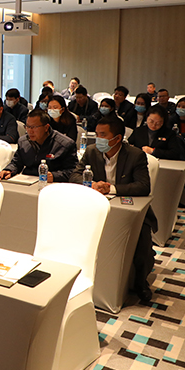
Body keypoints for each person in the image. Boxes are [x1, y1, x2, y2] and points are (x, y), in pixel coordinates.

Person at [69, 116, 155, 302]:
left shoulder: (135, 155)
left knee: (141, 243)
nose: (98, 139)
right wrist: (91, 184)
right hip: (96, 208)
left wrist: (111, 189)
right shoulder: (92, 151)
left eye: (103, 135)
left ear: (117, 138)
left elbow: (143, 186)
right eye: (97, 134)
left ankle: (140, 283)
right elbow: (74, 175)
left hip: (128, 209)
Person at [0, 110, 77, 183]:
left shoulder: (65, 144)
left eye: (34, 127)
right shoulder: (23, 141)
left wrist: (54, 176)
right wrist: (9, 170)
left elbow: (73, 172)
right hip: (28, 181)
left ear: (46, 127)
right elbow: (16, 162)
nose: (30, 131)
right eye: (27, 127)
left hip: (51, 184)